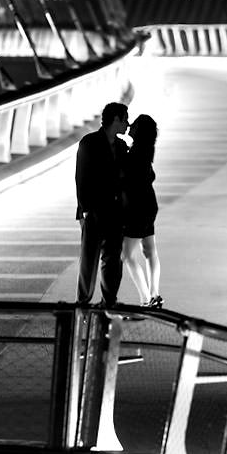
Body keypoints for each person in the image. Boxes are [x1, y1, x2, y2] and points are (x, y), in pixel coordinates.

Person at [75, 102, 130, 307]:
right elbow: (81, 178)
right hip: (95, 211)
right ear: (115, 119)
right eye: (125, 119)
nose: (127, 124)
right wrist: (84, 211)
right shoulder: (89, 143)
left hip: (115, 212)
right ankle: (83, 303)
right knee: (89, 259)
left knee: (113, 259)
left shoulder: (122, 146)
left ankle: (109, 301)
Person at [120, 114, 163, 308]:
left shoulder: (134, 153)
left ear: (139, 130)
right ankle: (154, 294)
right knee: (149, 251)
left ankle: (145, 299)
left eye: (134, 124)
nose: (131, 125)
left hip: (137, 208)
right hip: (149, 205)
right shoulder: (146, 151)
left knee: (127, 255)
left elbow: (127, 181)